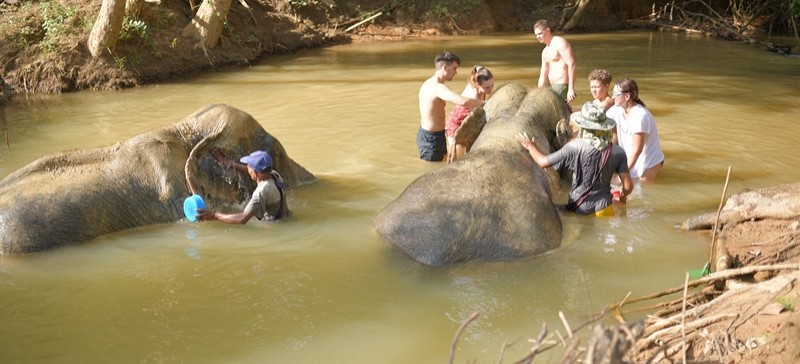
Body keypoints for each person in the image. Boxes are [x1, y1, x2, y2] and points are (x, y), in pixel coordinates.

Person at [518, 102, 633, 216]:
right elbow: (628, 187)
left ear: (583, 126)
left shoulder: (573, 147)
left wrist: (530, 147)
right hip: (604, 209)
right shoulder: (618, 152)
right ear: (604, 127)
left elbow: (542, 162)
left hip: (579, 208)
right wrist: (622, 196)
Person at [418, 51, 485, 162]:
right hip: (431, 139)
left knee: (441, 166)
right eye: (454, 68)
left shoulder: (429, 83)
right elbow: (461, 101)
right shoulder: (437, 87)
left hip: (431, 135)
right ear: (445, 67)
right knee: (431, 171)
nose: (456, 72)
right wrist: (485, 103)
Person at [196, 149, 288, 224]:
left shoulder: (261, 193)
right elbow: (253, 172)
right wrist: (231, 164)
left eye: (249, 166)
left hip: (274, 226)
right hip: (286, 217)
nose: (247, 167)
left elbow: (242, 219)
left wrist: (214, 216)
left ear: (255, 173)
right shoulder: (274, 175)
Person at [606, 77, 665, 181]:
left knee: (640, 190)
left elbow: (637, 150)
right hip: (631, 156)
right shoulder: (616, 110)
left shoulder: (640, 116)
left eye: (616, 94)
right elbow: (599, 120)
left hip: (649, 161)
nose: (613, 97)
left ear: (627, 96)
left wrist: (622, 174)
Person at [444, 65, 494, 163]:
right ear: (477, 85)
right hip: (456, 124)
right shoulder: (473, 95)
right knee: (456, 158)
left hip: (468, 119)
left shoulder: (478, 78)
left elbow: (478, 68)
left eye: (492, 85)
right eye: (487, 87)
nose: (490, 89)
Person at [534, 19, 577, 106]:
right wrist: (538, 93)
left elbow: (572, 64)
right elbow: (543, 75)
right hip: (552, 86)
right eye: (536, 35)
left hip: (562, 85)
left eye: (540, 33)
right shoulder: (545, 51)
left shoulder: (560, 43)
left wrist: (571, 89)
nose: (538, 36)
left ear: (548, 30)